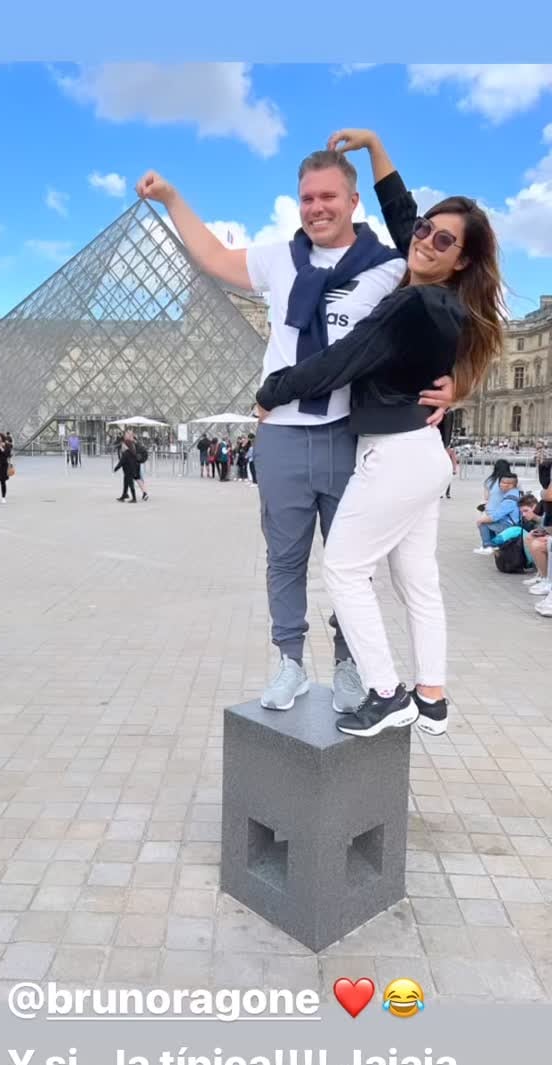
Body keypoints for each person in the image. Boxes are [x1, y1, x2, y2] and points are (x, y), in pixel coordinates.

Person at [136, 150, 453, 714]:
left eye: (328, 196)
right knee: (283, 558)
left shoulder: (389, 266)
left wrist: (459, 381)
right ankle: (289, 662)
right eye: (307, 197)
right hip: (279, 435)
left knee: (352, 563)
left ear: (354, 201)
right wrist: (171, 199)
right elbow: (210, 256)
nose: (316, 207)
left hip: (346, 433)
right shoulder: (279, 260)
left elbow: (444, 301)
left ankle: (350, 663)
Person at [255, 127, 505, 737]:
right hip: (421, 454)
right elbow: (403, 216)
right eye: (423, 229)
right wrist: (375, 149)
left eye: (442, 238)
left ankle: (387, 692)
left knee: (344, 569)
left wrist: (270, 392)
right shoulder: (437, 296)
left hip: (393, 455)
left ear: (461, 258)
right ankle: (433, 697)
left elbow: (338, 364)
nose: (422, 238)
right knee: (417, 579)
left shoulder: (408, 304)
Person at [474, 474, 521, 554]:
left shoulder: (510, 500)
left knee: (482, 523)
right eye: (501, 482)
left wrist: (481, 520)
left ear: (511, 485)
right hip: (514, 523)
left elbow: (495, 517)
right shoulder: (517, 493)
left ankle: (488, 546)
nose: (501, 485)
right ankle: (494, 544)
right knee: (486, 521)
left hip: (510, 525)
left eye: (504, 483)